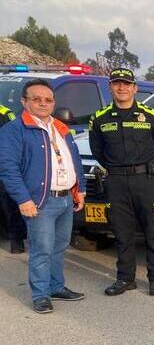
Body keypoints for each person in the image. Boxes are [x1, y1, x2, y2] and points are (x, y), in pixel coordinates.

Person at [0, 79, 86, 314]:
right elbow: (8, 168)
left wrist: (81, 190)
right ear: (24, 101)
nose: (43, 103)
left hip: (66, 199)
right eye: (36, 99)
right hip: (40, 201)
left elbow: (74, 159)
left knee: (59, 247)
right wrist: (23, 199)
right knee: (42, 249)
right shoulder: (14, 130)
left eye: (48, 100)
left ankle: (57, 287)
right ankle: (40, 295)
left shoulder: (60, 127)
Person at [88, 68, 154, 296]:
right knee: (122, 232)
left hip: (146, 181)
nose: (122, 88)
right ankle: (125, 278)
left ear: (135, 88)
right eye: (117, 83)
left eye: (127, 84)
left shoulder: (151, 115)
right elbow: (97, 151)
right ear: (110, 87)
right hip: (116, 182)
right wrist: (114, 168)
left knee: (153, 231)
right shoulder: (99, 118)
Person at [0, 103, 27, 254]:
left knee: (9, 204)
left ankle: (16, 239)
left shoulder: (5, 114)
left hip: (2, 167)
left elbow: (12, 142)